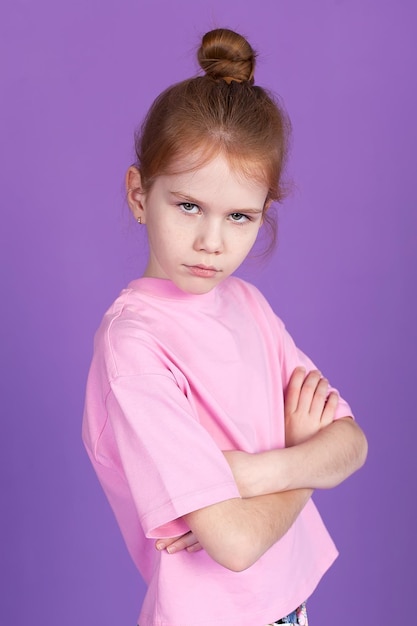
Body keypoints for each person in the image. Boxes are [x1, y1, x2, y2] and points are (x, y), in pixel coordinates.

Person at [82, 28, 367, 626]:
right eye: (188, 206)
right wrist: (301, 461)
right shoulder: (135, 347)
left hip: (290, 606)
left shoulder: (247, 305)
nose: (211, 242)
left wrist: (248, 474)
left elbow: (351, 446)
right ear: (140, 193)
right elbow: (233, 543)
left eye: (239, 216)